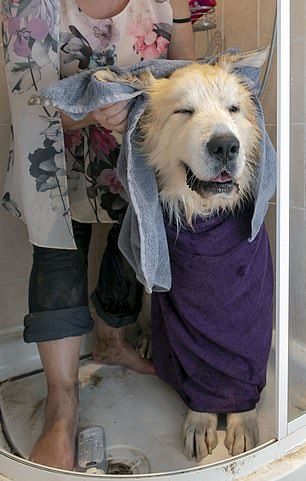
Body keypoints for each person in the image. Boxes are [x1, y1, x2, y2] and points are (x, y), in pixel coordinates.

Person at [1, 0, 195, 471]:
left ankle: (112, 340)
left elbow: (189, 85)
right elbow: (25, 98)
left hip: (130, 162)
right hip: (54, 162)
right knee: (58, 259)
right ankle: (61, 406)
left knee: (129, 246)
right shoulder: (31, 5)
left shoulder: (165, 6)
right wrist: (89, 112)